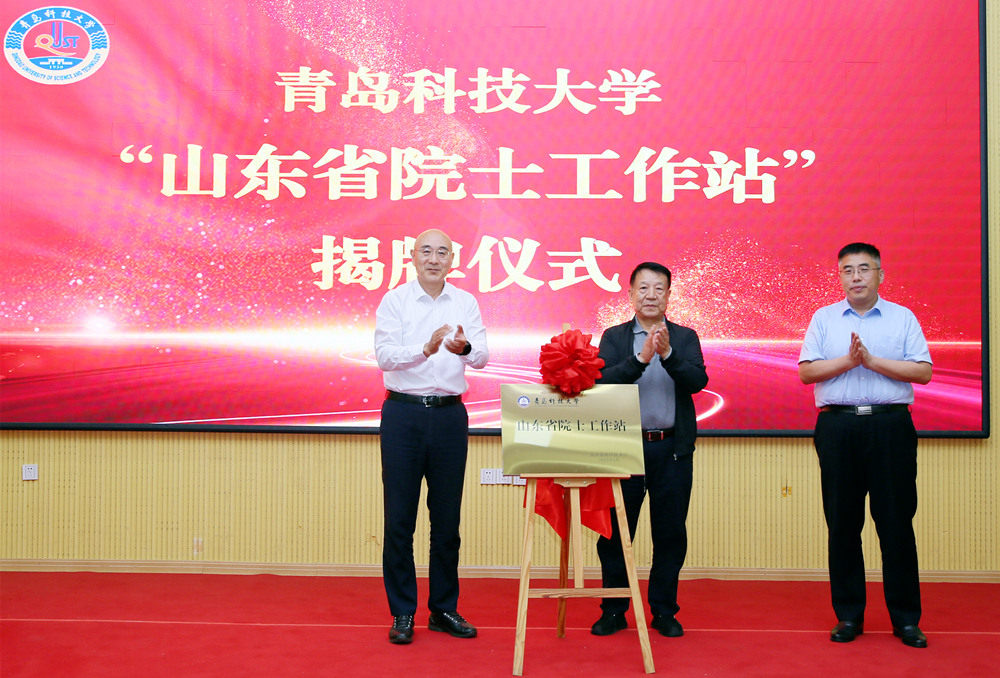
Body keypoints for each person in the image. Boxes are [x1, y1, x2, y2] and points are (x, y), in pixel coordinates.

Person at [798, 242, 932, 649]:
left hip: (890, 427)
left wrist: (872, 362)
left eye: (864, 269)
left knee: (896, 522)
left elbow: (923, 372)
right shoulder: (824, 318)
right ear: (840, 276)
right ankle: (849, 616)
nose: (856, 277)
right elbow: (807, 373)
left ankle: (906, 620)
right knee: (842, 523)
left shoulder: (902, 317)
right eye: (848, 270)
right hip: (837, 427)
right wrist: (850, 361)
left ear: (880, 275)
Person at [373, 228, 489, 645]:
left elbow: (482, 356)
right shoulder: (395, 300)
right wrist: (424, 349)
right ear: (413, 256)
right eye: (427, 251)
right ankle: (403, 612)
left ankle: (443, 608)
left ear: (452, 260)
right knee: (399, 520)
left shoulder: (465, 302)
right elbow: (384, 356)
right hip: (403, 415)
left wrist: (463, 349)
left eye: (442, 252)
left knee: (446, 521)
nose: (434, 259)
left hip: (449, 417)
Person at [590, 262, 709, 638]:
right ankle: (614, 609)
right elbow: (602, 381)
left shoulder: (685, 337)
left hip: (672, 450)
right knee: (614, 534)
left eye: (659, 288)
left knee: (670, 534)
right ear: (630, 294)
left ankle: (663, 610)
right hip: (623, 449)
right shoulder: (614, 337)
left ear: (669, 295)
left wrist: (668, 354)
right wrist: (641, 359)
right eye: (643, 288)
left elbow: (697, 380)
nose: (651, 295)